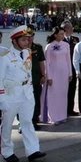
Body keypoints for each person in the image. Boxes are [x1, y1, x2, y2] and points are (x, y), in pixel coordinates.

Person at [0, 25, 47, 162]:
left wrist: (31, 91)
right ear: (14, 41)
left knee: (27, 122)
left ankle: (32, 150)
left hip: (26, 94)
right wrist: (1, 100)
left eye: (28, 39)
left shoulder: (27, 52)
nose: (27, 42)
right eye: (24, 39)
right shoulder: (5, 56)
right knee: (7, 125)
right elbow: (0, 78)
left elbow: (28, 73)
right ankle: (7, 151)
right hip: (10, 95)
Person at [41, 27, 71, 125]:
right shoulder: (49, 46)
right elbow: (47, 63)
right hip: (53, 73)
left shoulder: (66, 45)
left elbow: (68, 60)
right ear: (55, 35)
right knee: (53, 95)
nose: (63, 35)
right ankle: (52, 117)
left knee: (62, 95)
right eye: (61, 34)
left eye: (63, 34)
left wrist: (70, 73)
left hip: (64, 73)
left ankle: (62, 116)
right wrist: (48, 77)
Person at [26, 24, 46, 130]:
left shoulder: (37, 47)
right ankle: (23, 122)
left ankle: (34, 120)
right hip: (23, 81)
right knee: (24, 102)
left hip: (36, 79)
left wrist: (43, 75)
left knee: (36, 100)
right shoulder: (20, 48)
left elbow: (41, 62)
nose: (29, 38)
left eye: (32, 35)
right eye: (27, 36)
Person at [61, 21, 80, 116]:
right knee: (63, 90)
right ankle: (62, 110)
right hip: (62, 69)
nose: (72, 29)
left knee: (72, 89)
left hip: (72, 68)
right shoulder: (60, 40)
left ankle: (70, 109)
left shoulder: (75, 39)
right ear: (65, 29)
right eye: (70, 27)